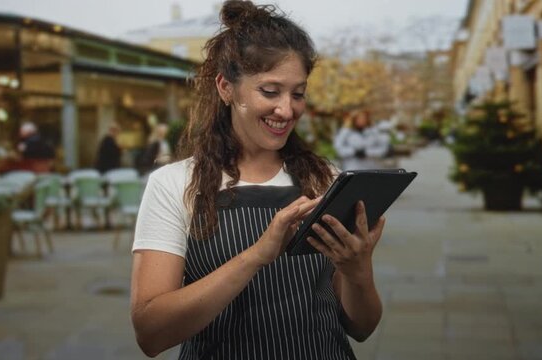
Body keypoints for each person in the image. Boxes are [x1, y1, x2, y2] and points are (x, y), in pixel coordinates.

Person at [131, 1, 385, 359]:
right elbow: (150, 333)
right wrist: (255, 256)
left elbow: (361, 327)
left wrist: (357, 271)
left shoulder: (324, 178)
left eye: (298, 93)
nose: (287, 109)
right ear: (226, 88)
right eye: (270, 91)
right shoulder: (174, 184)